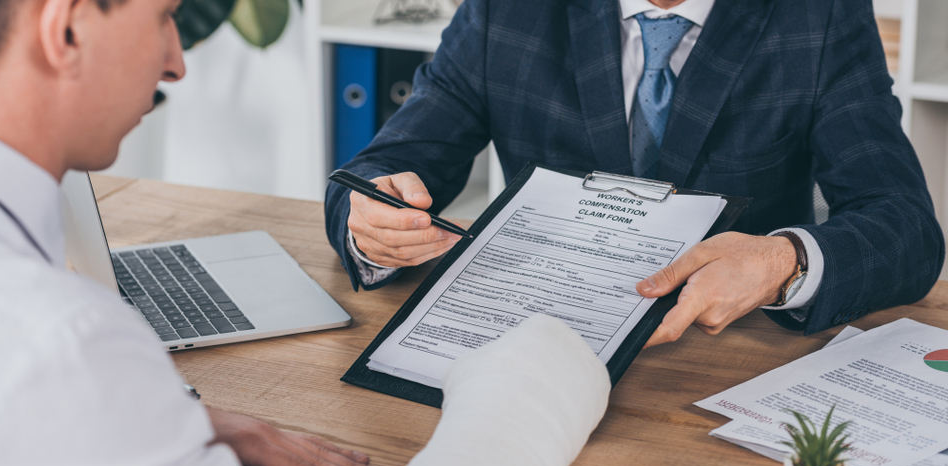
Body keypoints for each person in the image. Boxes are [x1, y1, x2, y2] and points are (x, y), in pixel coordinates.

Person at [0, 0, 611, 466]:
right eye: (164, 16)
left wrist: (154, 429)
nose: (177, 61)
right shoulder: (54, 347)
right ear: (64, 31)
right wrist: (530, 392)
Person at [325, 0, 945, 347]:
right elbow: (379, 168)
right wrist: (372, 222)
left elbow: (907, 229)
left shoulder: (820, 15)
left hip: (725, 355)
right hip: (533, 339)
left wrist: (783, 261)